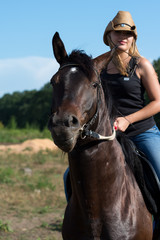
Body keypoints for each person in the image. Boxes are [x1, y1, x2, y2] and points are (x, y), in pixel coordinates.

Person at [97, 11, 160, 183]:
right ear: (109, 35)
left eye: (128, 34)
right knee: (69, 176)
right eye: (118, 32)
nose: (122, 37)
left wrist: (127, 120)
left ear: (133, 37)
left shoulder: (142, 64)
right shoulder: (98, 67)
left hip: (142, 133)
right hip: (108, 135)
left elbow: (158, 102)